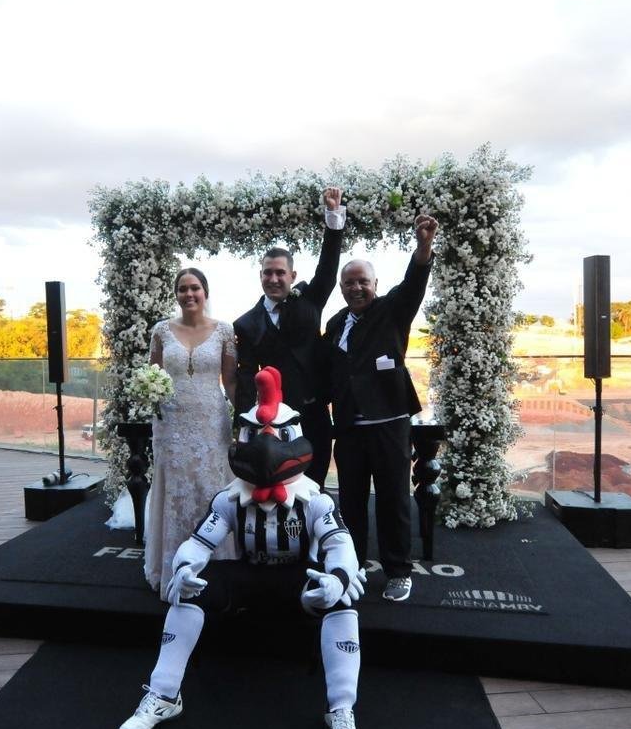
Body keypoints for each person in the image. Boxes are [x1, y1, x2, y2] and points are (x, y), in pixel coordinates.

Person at [119, 367, 367, 729]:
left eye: (277, 437)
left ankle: (341, 709)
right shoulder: (229, 499)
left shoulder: (316, 500)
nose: (266, 449)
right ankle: (164, 694)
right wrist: (184, 570)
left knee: (341, 602)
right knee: (190, 592)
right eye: (254, 437)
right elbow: (200, 542)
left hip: (297, 578)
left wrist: (338, 578)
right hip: (247, 574)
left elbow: (340, 544)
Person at [323, 214, 438, 602]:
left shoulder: (392, 311)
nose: (357, 288)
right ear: (341, 288)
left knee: (393, 499)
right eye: (349, 282)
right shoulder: (337, 323)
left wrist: (422, 249)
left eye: (363, 282)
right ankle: (352, 567)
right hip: (350, 429)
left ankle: (398, 571)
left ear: (375, 285)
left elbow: (414, 285)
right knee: (351, 501)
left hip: (389, 423)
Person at [234, 186, 344, 486]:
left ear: (292, 276)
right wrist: (244, 425)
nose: (273, 278)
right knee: (278, 489)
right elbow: (245, 378)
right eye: (268, 272)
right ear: (261, 276)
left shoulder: (309, 300)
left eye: (280, 272)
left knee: (315, 487)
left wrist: (333, 218)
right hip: (275, 423)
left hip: (315, 415)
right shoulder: (245, 324)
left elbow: (328, 269)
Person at [144, 268, 238, 593]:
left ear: (205, 291)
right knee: (176, 489)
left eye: (194, 288)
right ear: (176, 294)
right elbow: (153, 375)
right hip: (171, 422)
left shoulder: (225, 331)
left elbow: (231, 381)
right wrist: (149, 395)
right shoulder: (161, 331)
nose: (189, 294)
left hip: (212, 420)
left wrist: (242, 419)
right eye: (183, 289)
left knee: (210, 486)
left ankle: (216, 567)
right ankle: (173, 570)